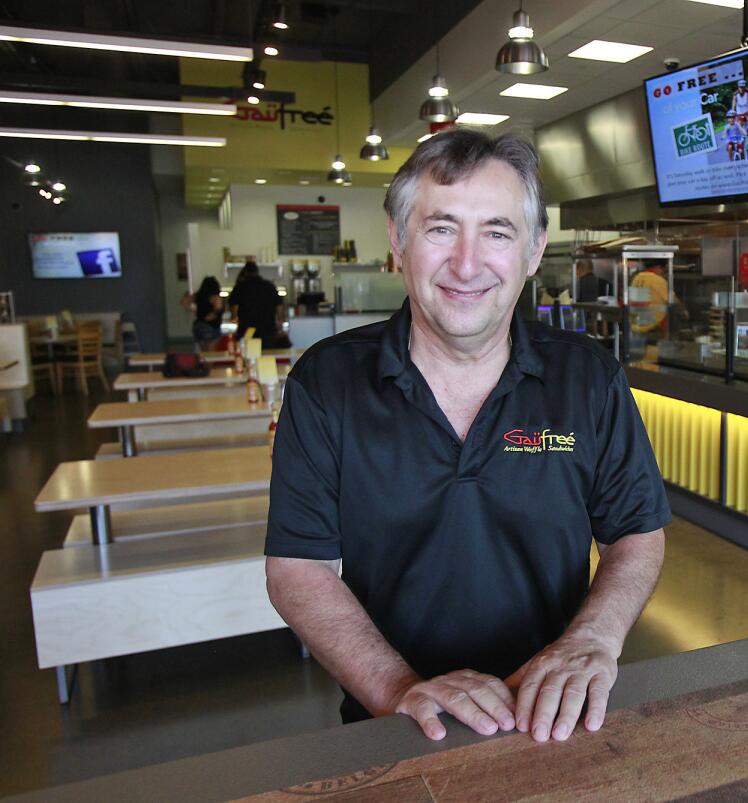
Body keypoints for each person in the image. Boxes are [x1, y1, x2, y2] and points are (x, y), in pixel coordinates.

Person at [264, 130, 669, 743]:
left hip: (554, 721)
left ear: (533, 251)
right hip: (393, 728)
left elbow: (637, 532)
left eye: (498, 232)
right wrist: (397, 687)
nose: (467, 263)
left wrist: (591, 640)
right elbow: (298, 566)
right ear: (398, 242)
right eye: (441, 228)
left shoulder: (587, 378)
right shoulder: (327, 383)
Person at [229, 260, 288, 346]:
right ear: (257, 272)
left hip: (247, 331)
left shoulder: (240, 286)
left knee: (247, 355)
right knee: (267, 357)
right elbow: (279, 306)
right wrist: (280, 321)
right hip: (268, 331)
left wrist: (234, 317)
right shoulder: (269, 286)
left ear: (245, 272)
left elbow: (234, 307)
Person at [189, 276, 225, 350]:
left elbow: (184, 302)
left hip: (198, 325)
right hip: (211, 326)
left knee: (203, 352)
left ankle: (203, 361)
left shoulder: (198, 296)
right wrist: (213, 315)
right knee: (211, 354)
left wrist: (195, 311)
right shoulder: (215, 297)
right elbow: (218, 308)